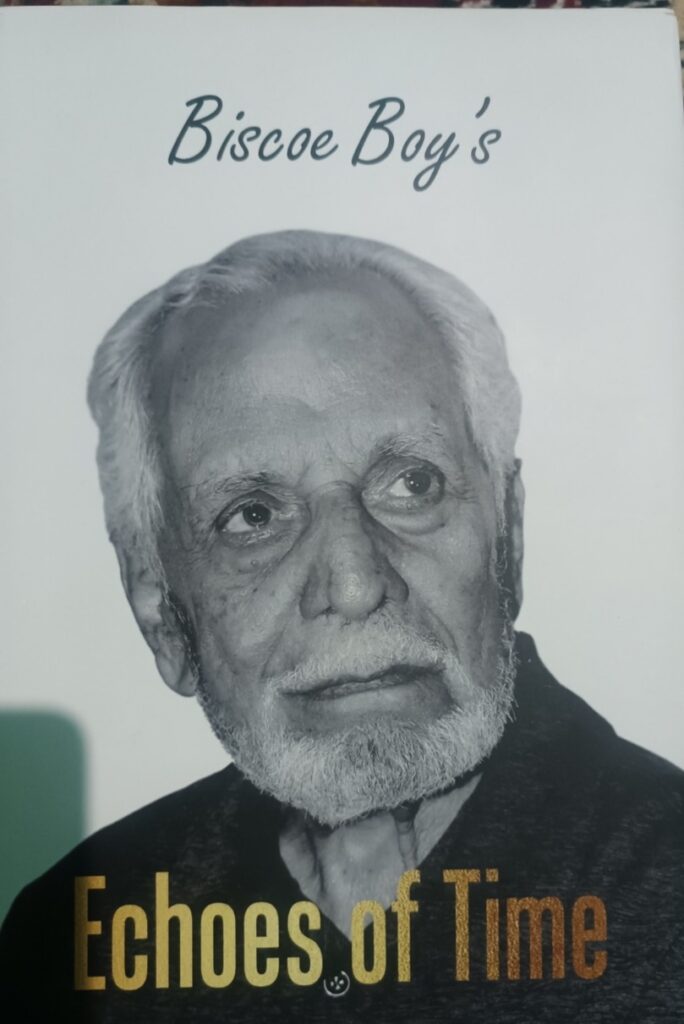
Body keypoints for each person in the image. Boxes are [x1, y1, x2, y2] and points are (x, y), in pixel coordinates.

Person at [1, 230, 682, 1021]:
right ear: (163, 618)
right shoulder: (68, 941)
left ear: (511, 540)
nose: (355, 585)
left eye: (412, 484)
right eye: (252, 516)